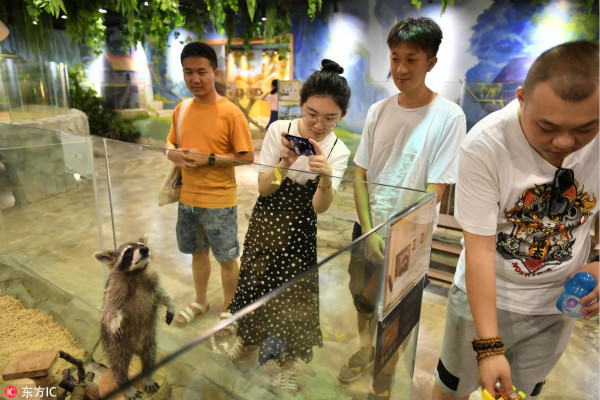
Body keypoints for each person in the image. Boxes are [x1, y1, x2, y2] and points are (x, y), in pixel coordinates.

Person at [433, 40, 599, 400]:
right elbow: (478, 248)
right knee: (452, 390)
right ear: (522, 98)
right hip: (486, 295)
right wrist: (489, 346)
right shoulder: (486, 146)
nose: (565, 141)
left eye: (585, 129)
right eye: (547, 126)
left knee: (522, 393)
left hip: (556, 306)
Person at [338, 17, 466, 400]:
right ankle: (364, 351)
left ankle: (383, 382)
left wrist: (397, 237)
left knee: (396, 317)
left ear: (431, 62)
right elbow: (360, 173)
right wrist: (368, 227)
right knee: (361, 297)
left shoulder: (448, 117)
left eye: (412, 59)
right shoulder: (378, 110)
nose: (401, 69)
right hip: (369, 228)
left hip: (409, 238)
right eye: (395, 58)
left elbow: (434, 190)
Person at [227, 59, 352, 393]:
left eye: (330, 118)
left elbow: (320, 208)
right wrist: (283, 163)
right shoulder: (278, 130)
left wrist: (325, 178)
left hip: (300, 231)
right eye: (311, 114)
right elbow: (265, 188)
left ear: (342, 116)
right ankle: (249, 340)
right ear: (300, 105)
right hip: (267, 222)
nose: (318, 125)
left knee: (293, 297)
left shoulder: (339, 150)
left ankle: (287, 363)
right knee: (256, 283)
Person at [164, 42, 255, 328]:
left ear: (214, 72)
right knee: (197, 253)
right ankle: (201, 300)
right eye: (188, 72)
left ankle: (230, 307)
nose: (195, 79)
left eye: (202, 72)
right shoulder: (181, 109)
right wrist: (171, 153)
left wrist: (210, 160)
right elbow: (170, 143)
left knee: (227, 258)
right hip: (187, 199)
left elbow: (248, 156)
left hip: (220, 200)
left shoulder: (231, 113)